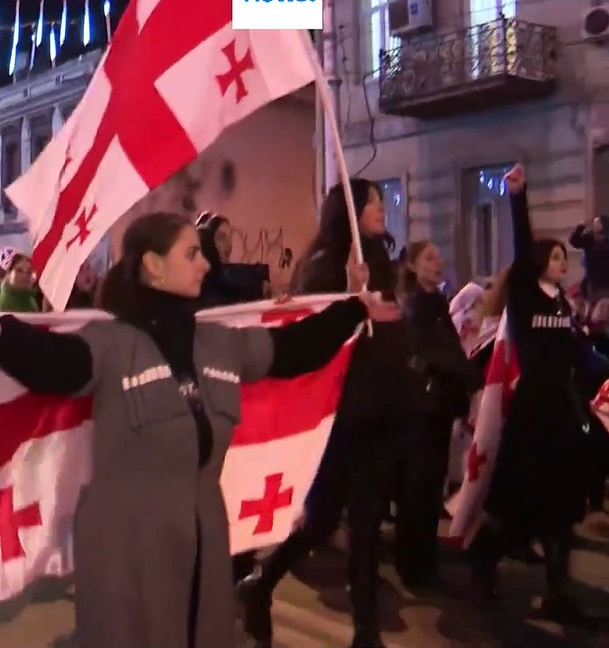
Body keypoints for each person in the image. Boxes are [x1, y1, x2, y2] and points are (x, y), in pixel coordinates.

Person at [0, 211, 398, 648]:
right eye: (191, 253)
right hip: (128, 548)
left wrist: (354, 309)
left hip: (204, 539)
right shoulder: (111, 344)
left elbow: (294, 349)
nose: (204, 263)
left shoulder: (217, 343)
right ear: (153, 266)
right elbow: (55, 363)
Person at [241, 179, 414, 648]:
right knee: (322, 519)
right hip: (345, 411)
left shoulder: (377, 260)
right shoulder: (326, 265)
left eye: (380, 201)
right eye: (372, 202)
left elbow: (391, 326)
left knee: (366, 521)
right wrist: (351, 298)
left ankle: (365, 632)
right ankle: (263, 581)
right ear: (350, 210)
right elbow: (317, 336)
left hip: (383, 406)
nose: (381, 208)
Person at [470, 164, 602, 621]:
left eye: (566, 258)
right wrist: (517, 197)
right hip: (533, 414)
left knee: (562, 506)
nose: (563, 263)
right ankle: (484, 561)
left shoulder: (563, 305)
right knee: (519, 503)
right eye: (557, 257)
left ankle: (558, 593)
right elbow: (524, 247)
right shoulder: (527, 295)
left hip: (563, 410)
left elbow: (579, 355)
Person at [394, 241, 480, 589]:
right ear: (413, 266)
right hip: (424, 409)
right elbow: (436, 354)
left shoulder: (435, 304)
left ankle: (422, 561)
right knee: (420, 488)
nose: (438, 262)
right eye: (429, 259)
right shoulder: (417, 307)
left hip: (438, 407)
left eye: (438, 257)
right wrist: (471, 376)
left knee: (430, 488)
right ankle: (415, 567)